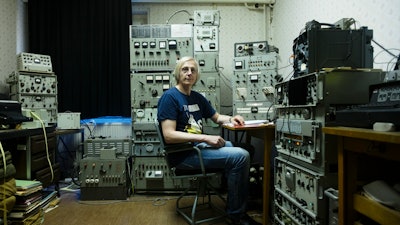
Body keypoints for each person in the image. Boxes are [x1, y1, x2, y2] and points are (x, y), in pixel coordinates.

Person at [157, 56, 261, 225]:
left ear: (197, 75)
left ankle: (236, 198)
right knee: (240, 157)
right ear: (178, 73)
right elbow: (169, 135)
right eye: (185, 69)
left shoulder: (197, 97)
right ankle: (237, 216)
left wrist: (232, 118)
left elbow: (217, 117)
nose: (189, 73)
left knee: (247, 148)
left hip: (198, 148)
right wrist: (205, 137)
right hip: (184, 155)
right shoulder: (170, 97)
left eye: (193, 70)